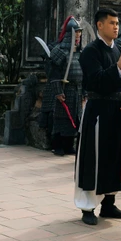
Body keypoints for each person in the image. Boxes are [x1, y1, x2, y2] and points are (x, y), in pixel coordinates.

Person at [74, 8, 121, 226]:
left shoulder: (120, 50)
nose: (116, 27)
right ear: (100, 25)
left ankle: (109, 203)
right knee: (94, 157)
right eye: (111, 22)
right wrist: (117, 68)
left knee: (115, 157)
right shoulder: (90, 52)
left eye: (117, 23)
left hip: (118, 111)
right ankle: (87, 205)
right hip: (98, 111)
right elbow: (95, 82)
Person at [42, 17, 84, 157]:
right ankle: (57, 146)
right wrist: (58, 92)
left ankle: (68, 145)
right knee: (61, 118)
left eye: (79, 32)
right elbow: (54, 74)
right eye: (75, 32)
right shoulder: (59, 51)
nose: (78, 35)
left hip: (76, 89)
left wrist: (84, 92)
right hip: (64, 89)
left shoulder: (80, 52)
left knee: (75, 118)